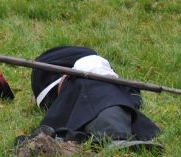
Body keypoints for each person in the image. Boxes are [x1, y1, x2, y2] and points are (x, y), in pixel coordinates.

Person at [23, 45, 161, 148]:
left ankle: (113, 135)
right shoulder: (84, 81)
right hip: (58, 79)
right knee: (90, 84)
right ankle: (113, 136)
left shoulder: (119, 89)